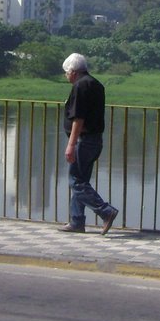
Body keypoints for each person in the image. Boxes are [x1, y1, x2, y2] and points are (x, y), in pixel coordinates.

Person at [58, 53, 119, 234]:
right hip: (95, 141)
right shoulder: (96, 84)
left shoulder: (80, 86)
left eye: (66, 72)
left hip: (83, 141)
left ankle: (105, 211)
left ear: (73, 71)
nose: (66, 76)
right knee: (81, 179)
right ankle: (77, 221)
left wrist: (71, 144)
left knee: (75, 181)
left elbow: (79, 118)